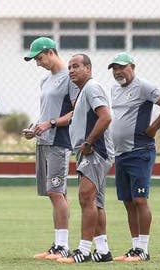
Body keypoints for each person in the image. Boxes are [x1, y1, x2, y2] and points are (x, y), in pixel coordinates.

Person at [108, 52, 160, 262]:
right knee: (128, 202)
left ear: (132, 67)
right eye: (114, 69)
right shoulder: (114, 90)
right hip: (120, 154)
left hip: (140, 151)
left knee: (140, 199)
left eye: (122, 67)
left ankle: (144, 250)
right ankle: (135, 248)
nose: (118, 72)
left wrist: (153, 128)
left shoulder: (144, 86)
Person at [22, 37, 79, 260]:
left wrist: (51, 123)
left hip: (60, 142)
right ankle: (58, 244)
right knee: (55, 193)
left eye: (39, 58)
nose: (38, 63)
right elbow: (46, 113)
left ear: (50, 52)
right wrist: (35, 128)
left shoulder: (69, 78)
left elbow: (76, 112)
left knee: (56, 192)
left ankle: (63, 246)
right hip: (44, 141)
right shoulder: (45, 81)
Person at [57, 54, 114, 264]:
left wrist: (89, 142)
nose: (71, 70)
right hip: (87, 151)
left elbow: (106, 117)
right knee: (95, 202)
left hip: (95, 150)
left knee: (85, 198)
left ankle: (83, 250)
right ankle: (103, 250)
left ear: (88, 69)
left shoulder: (92, 87)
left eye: (76, 66)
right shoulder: (83, 91)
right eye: (70, 67)